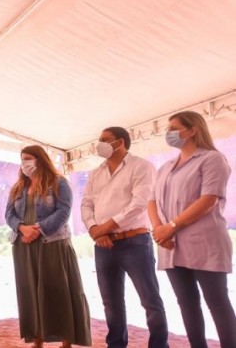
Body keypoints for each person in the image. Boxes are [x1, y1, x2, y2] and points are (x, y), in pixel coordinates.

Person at [150, 110, 236, 348]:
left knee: (217, 302)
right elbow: (151, 201)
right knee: (186, 303)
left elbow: (208, 199)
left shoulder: (212, 159)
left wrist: (172, 226)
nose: (168, 134)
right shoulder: (165, 167)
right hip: (170, 245)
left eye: (173, 128)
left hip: (204, 242)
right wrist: (159, 229)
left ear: (193, 130)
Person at [80, 126, 168, 348]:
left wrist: (105, 228)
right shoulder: (95, 173)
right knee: (111, 303)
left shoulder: (141, 166)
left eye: (105, 139)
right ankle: (116, 344)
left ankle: (159, 345)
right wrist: (94, 230)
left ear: (120, 142)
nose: (99, 143)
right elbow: (86, 204)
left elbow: (139, 203)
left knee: (150, 300)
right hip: (103, 245)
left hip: (134, 242)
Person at [5, 145, 91, 348]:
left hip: (53, 245)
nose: (24, 163)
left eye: (28, 158)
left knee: (59, 290)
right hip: (23, 246)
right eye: (22, 159)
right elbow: (9, 214)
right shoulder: (18, 187)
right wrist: (23, 228)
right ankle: (37, 339)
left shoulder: (59, 183)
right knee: (30, 291)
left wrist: (38, 229)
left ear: (40, 159)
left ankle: (66, 340)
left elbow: (63, 212)